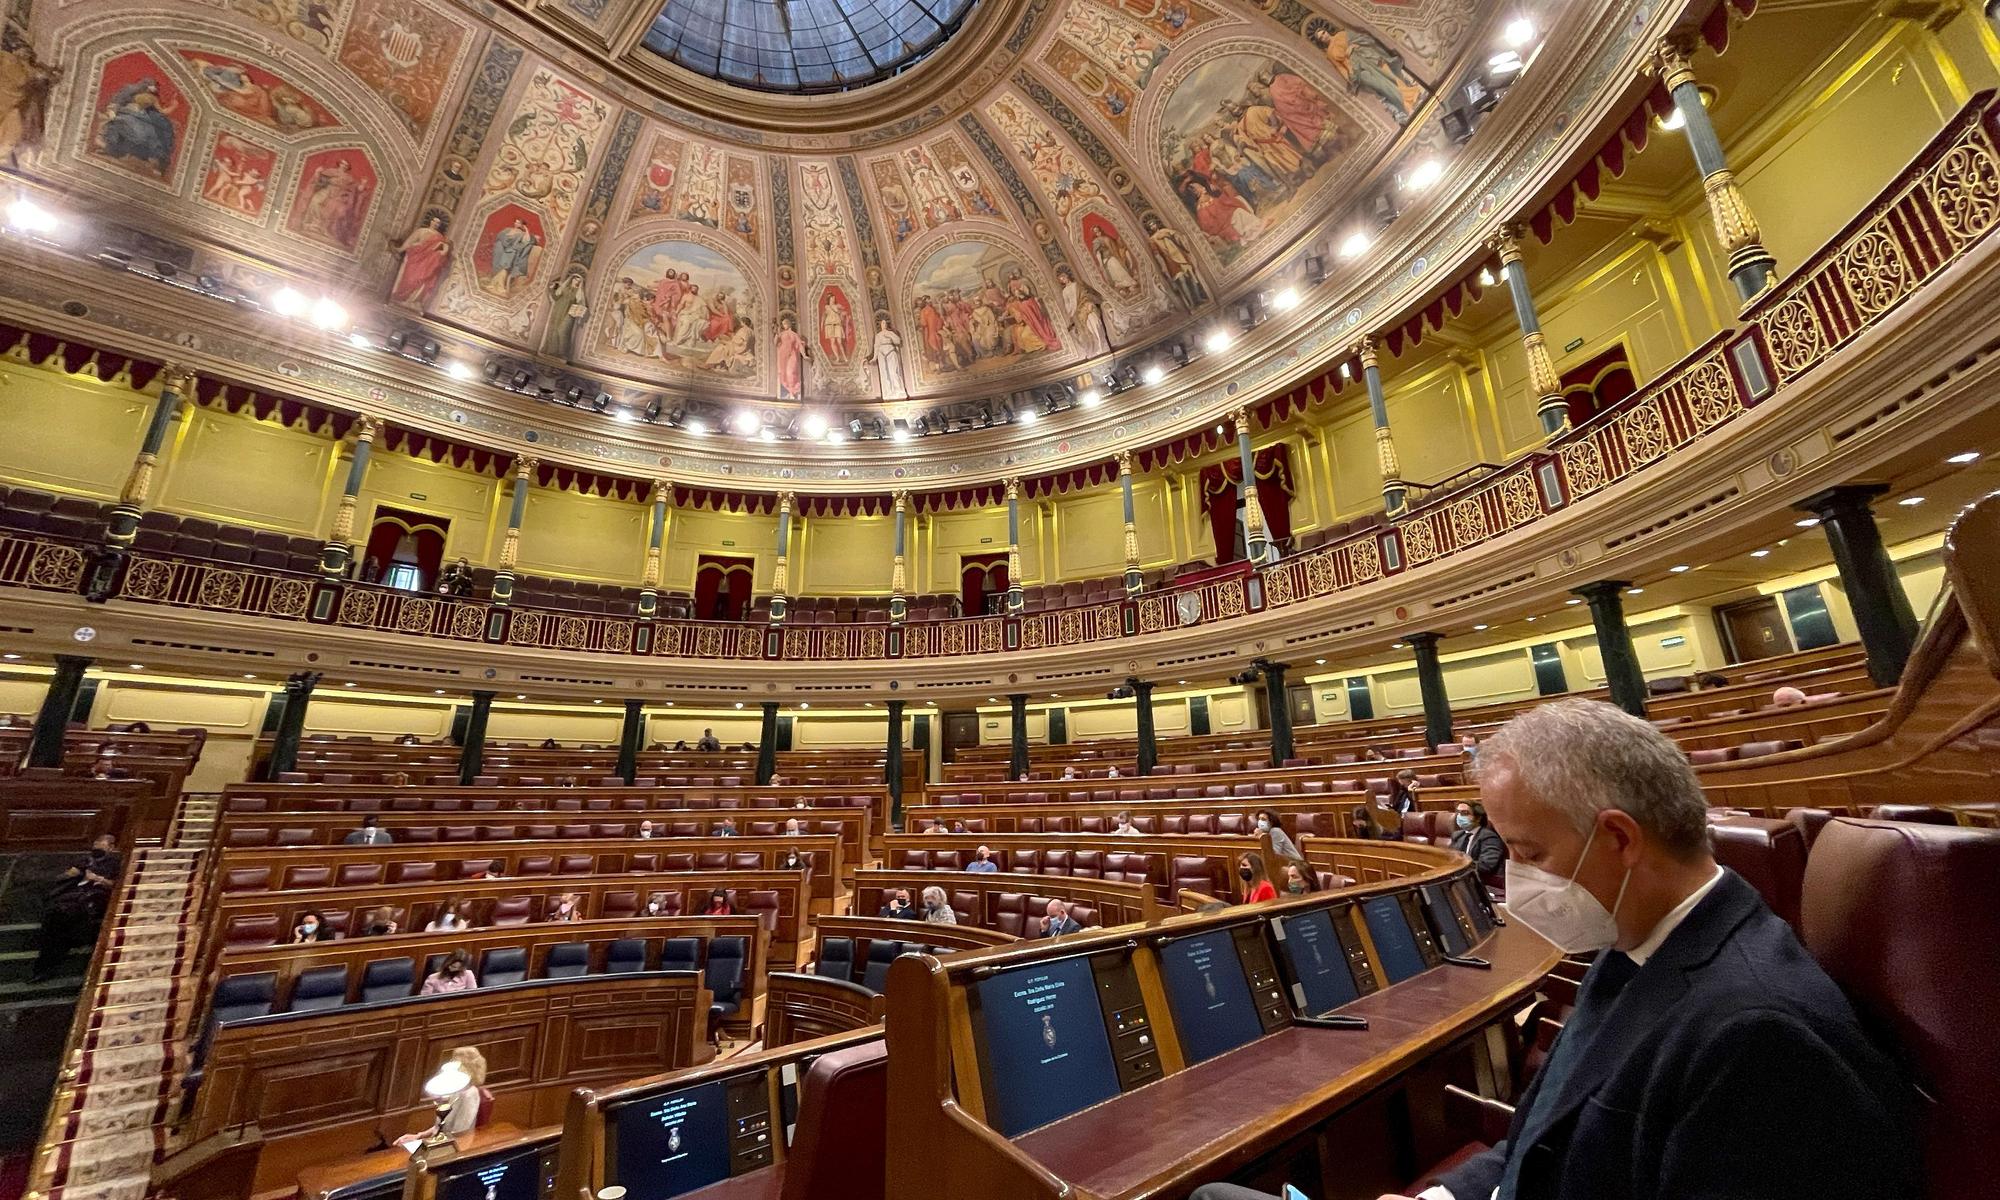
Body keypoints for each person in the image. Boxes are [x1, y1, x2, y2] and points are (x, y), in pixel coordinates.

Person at [1411, 698, 1915, 1200]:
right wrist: (1449, 1197)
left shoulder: (1756, 1036)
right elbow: (1548, 1137)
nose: (1516, 874)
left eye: (1530, 852)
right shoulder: (1633, 943)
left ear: (1618, 837)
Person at [31, 834, 121, 980]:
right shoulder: (86, 860)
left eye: (101, 845)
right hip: (72, 897)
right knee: (56, 921)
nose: (96, 847)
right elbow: (64, 876)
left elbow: (116, 885)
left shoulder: (115, 863)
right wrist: (68, 875)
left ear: (111, 847)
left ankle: (46, 968)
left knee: (61, 925)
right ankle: (44, 967)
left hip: (91, 899)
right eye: (95, 844)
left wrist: (98, 879)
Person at [439, 1047, 493, 1136]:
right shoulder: (454, 1090)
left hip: (458, 1145)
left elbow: (459, 1133)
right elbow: (439, 1127)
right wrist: (419, 1136)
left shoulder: (470, 1095)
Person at [1449, 800, 1507, 876]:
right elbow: (1449, 858)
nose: (1459, 816)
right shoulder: (1458, 835)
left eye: (1465, 813)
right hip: (1460, 878)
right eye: (1458, 813)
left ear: (1478, 818)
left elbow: (1486, 866)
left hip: (1481, 881)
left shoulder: (1489, 837)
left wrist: (1459, 866)